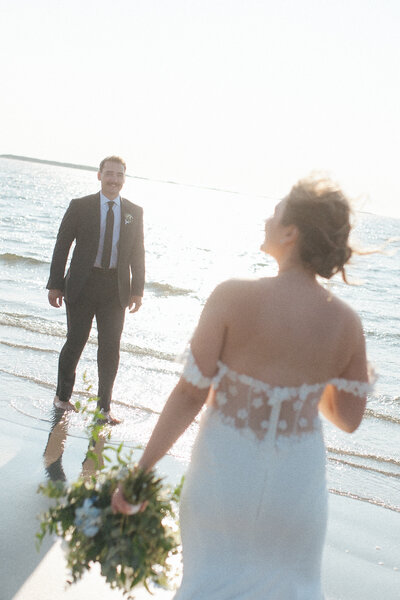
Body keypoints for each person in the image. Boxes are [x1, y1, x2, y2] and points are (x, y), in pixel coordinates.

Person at [112, 175, 372, 598]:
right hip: (297, 490)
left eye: (277, 210)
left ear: (291, 232)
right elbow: (348, 418)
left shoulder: (231, 297)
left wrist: (141, 472)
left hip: (223, 477)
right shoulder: (346, 322)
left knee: (210, 582)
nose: (267, 217)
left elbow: (189, 395)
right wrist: (310, 377)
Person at [47, 156, 145, 424]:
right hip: (81, 284)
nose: (114, 180)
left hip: (115, 289)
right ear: (99, 175)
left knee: (110, 348)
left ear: (124, 179)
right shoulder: (80, 206)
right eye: (109, 174)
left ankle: (104, 408)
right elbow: (62, 245)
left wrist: (138, 290)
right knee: (75, 341)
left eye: (119, 175)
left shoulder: (134, 212)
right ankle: (62, 398)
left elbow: (138, 253)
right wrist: (55, 284)